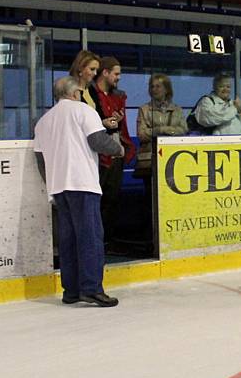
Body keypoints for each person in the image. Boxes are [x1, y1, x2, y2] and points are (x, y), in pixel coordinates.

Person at [34, 76, 124, 307]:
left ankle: (71, 290)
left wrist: (52, 184)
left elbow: (40, 159)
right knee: (90, 237)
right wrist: (118, 148)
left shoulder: (43, 121)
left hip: (59, 186)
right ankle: (92, 288)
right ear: (75, 93)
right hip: (82, 182)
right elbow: (97, 140)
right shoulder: (83, 111)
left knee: (69, 239)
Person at [92, 56, 136, 251]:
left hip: (114, 152)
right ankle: (96, 239)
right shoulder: (90, 95)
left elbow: (121, 126)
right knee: (99, 199)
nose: (119, 77)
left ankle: (106, 239)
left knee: (112, 199)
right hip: (98, 154)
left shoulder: (117, 96)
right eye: (116, 73)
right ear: (105, 72)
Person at [135, 73, 187, 178]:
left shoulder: (177, 110)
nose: (154, 89)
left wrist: (166, 130)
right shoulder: (144, 109)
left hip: (173, 158)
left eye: (158, 86)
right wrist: (159, 130)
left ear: (166, 89)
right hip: (150, 161)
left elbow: (184, 130)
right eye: (152, 86)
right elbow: (141, 134)